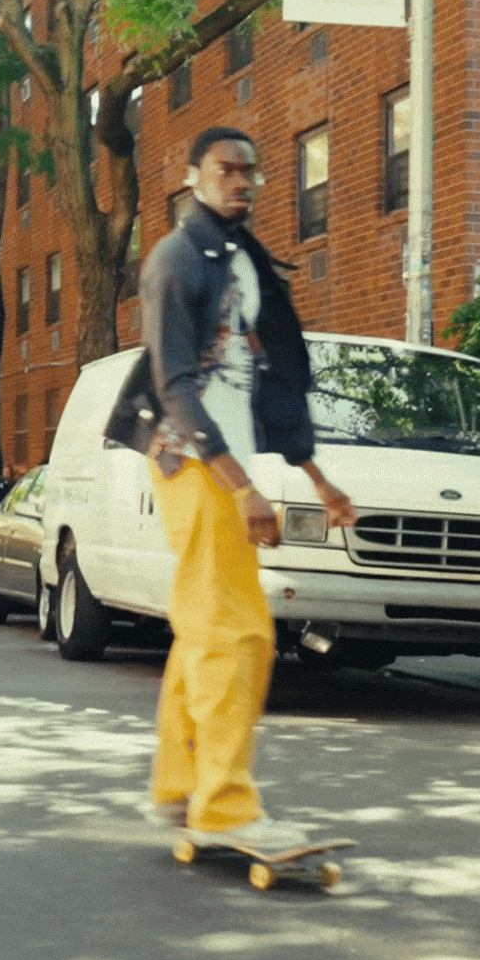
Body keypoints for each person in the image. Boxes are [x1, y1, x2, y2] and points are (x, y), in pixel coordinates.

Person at [104, 126, 356, 854]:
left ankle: (181, 784)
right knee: (236, 634)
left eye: (252, 171)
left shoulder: (241, 258)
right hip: (196, 462)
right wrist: (243, 486)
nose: (243, 181)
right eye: (227, 169)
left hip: (225, 464)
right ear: (192, 176)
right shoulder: (178, 259)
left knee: (204, 628)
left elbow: (271, 380)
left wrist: (317, 476)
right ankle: (225, 804)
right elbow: (174, 383)